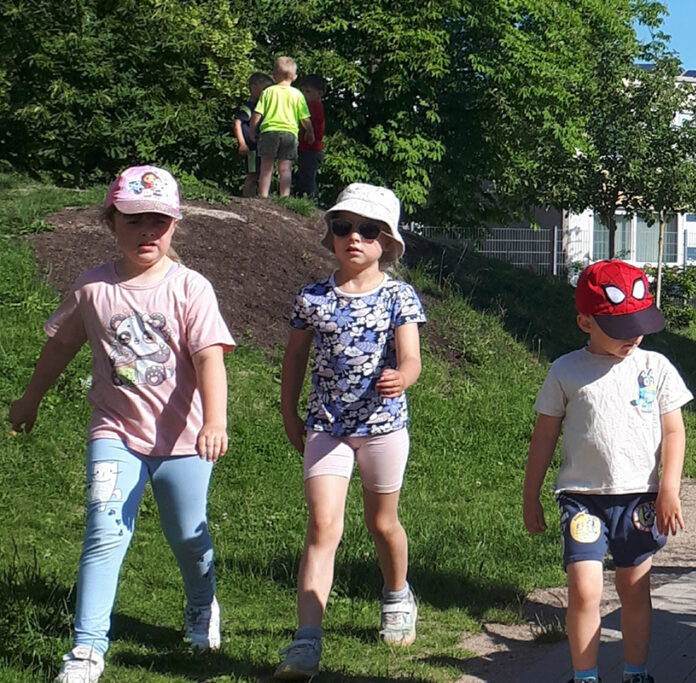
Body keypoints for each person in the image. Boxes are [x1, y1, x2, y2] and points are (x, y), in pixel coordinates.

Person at [6, 166, 235, 683]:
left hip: (183, 440)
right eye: (133, 220)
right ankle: (87, 650)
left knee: (186, 535)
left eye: (158, 220)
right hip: (115, 432)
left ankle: (202, 607)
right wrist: (29, 400)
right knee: (105, 531)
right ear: (111, 223)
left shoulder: (190, 288)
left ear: (175, 225)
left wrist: (214, 421)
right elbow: (61, 346)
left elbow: (210, 360)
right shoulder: (92, 288)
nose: (146, 231)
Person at [275, 183, 426, 679]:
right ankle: (306, 641)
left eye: (367, 230)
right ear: (332, 236)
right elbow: (295, 356)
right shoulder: (313, 296)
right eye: (343, 228)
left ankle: (397, 594)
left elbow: (411, 358)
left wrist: (401, 378)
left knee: (383, 524)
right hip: (326, 426)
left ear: (388, 243)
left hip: (383, 427)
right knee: (322, 527)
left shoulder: (398, 296)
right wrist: (289, 412)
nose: (353, 238)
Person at [523, 260, 691, 683]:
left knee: (634, 590)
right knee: (584, 590)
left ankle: (636, 673)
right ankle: (585, 677)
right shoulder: (565, 371)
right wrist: (531, 495)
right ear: (585, 321)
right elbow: (543, 437)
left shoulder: (655, 368)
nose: (633, 336)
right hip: (582, 499)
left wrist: (668, 489)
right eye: (619, 327)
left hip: (639, 499)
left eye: (639, 324)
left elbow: (674, 432)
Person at [250, 56, 315, 199]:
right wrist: (310, 132)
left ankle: (263, 196)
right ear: (295, 77)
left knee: (266, 167)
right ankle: (284, 197)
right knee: (285, 168)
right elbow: (305, 118)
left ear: (274, 76)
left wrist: (252, 130)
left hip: (269, 132)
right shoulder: (298, 95)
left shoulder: (268, 92)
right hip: (290, 134)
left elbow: (257, 113)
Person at [233, 72, 273, 198]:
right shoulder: (249, 107)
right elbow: (237, 123)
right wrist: (242, 143)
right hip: (251, 146)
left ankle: (253, 197)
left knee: (259, 172)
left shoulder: (260, 107)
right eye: (265, 89)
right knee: (252, 174)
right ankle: (247, 198)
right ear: (254, 87)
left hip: (258, 146)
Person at [295, 74, 327, 203]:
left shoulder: (314, 106)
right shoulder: (311, 105)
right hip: (307, 147)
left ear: (319, 93)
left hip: (310, 148)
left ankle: (310, 200)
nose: (304, 94)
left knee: (308, 176)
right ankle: (305, 198)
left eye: (307, 91)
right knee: (305, 174)